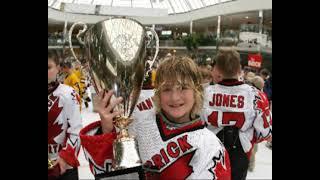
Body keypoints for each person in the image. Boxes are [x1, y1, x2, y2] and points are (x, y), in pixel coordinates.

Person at [79, 56, 231, 179]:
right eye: (166, 89)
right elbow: (106, 171)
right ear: (157, 93)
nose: (174, 97)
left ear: (197, 91)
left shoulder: (211, 146)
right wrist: (106, 127)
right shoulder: (139, 126)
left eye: (183, 88)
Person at [202, 49, 272, 180]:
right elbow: (266, 133)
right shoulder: (256, 95)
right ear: (240, 69)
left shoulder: (204, 93)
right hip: (240, 154)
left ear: (218, 69)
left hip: (210, 151)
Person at [48, 50, 82, 179]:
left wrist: (65, 158)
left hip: (63, 167)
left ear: (58, 68)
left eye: (48, 67)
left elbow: (76, 130)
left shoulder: (68, 93)